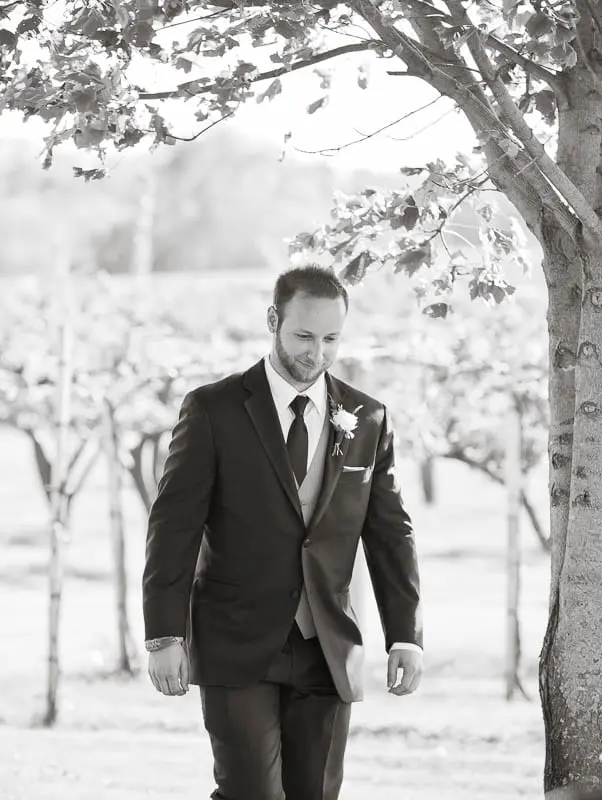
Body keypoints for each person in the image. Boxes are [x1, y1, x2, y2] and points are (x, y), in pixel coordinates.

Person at [141, 265, 424, 800]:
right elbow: (172, 529)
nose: (317, 353)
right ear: (273, 320)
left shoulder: (367, 417)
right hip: (236, 641)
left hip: (327, 645)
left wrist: (405, 633)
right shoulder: (213, 409)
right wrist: (164, 635)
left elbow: (390, 533)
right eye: (303, 335)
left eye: (331, 338)